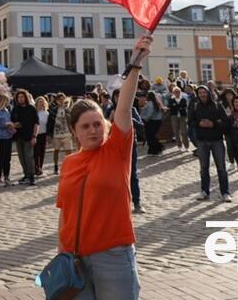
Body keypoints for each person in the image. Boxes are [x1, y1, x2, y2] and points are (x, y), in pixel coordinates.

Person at [56, 36, 152, 299]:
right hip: (74, 258)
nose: (93, 130)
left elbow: (124, 107)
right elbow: (64, 210)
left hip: (113, 256)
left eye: (98, 124)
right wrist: (61, 250)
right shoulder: (69, 163)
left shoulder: (116, 150)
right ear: (75, 131)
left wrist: (135, 64)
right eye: (86, 126)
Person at [190, 85, 231, 202]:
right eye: (200, 93)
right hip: (202, 140)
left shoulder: (218, 105)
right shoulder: (195, 106)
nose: (202, 94)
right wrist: (199, 124)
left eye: (204, 92)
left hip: (216, 140)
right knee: (204, 168)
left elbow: (226, 122)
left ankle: (225, 192)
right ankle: (204, 191)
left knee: (221, 168)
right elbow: (190, 121)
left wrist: (213, 124)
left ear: (208, 93)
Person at [11, 90, 38, 186]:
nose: (20, 99)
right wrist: (14, 125)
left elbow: (36, 123)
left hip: (29, 136)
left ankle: (32, 176)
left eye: (22, 97)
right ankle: (26, 175)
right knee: (21, 157)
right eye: (19, 97)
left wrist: (34, 136)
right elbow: (12, 122)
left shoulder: (31, 109)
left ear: (25, 97)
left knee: (29, 156)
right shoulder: (15, 109)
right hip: (18, 137)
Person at [48, 93, 73, 175]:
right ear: (56, 101)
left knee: (69, 151)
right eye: (60, 99)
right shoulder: (53, 110)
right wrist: (49, 135)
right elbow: (49, 123)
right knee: (56, 150)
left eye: (63, 99)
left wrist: (73, 132)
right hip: (56, 134)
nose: (61, 101)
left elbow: (72, 121)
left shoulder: (68, 109)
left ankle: (69, 167)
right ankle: (55, 167)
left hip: (67, 133)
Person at [0, 94, 13, 187]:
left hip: (8, 136)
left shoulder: (7, 111)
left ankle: (6, 177)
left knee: (8, 159)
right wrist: (9, 125)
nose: (8, 102)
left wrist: (12, 127)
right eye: (7, 100)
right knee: (1, 158)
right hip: (0, 137)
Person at [140, 91, 164, 156]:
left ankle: (158, 148)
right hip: (157, 121)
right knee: (151, 136)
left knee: (150, 136)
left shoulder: (150, 103)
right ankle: (152, 150)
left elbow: (150, 113)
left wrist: (144, 119)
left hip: (151, 121)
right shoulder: (156, 103)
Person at [167, 87, 189, 151]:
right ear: (173, 93)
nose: (177, 93)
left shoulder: (183, 99)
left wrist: (175, 106)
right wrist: (179, 107)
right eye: (175, 92)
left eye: (178, 92)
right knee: (176, 132)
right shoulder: (171, 100)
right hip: (174, 117)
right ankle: (179, 146)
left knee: (184, 132)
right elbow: (171, 107)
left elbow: (184, 106)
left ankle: (186, 146)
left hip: (183, 117)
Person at [34, 96, 49, 176]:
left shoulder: (46, 113)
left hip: (44, 134)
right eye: (40, 102)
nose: (41, 103)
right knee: (36, 152)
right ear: (36, 103)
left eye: (42, 102)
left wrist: (49, 135)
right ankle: (36, 168)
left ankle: (40, 168)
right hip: (35, 135)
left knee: (42, 152)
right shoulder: (34, 113)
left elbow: (49, 125)